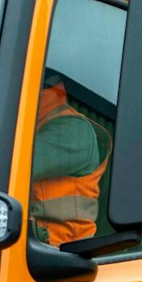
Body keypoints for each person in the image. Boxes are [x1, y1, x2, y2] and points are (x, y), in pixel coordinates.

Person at [29, 73, 109, 247]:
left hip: (60, 252)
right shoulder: (31, 125)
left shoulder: (72, 130)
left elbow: (10, 170)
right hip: (33, 246)